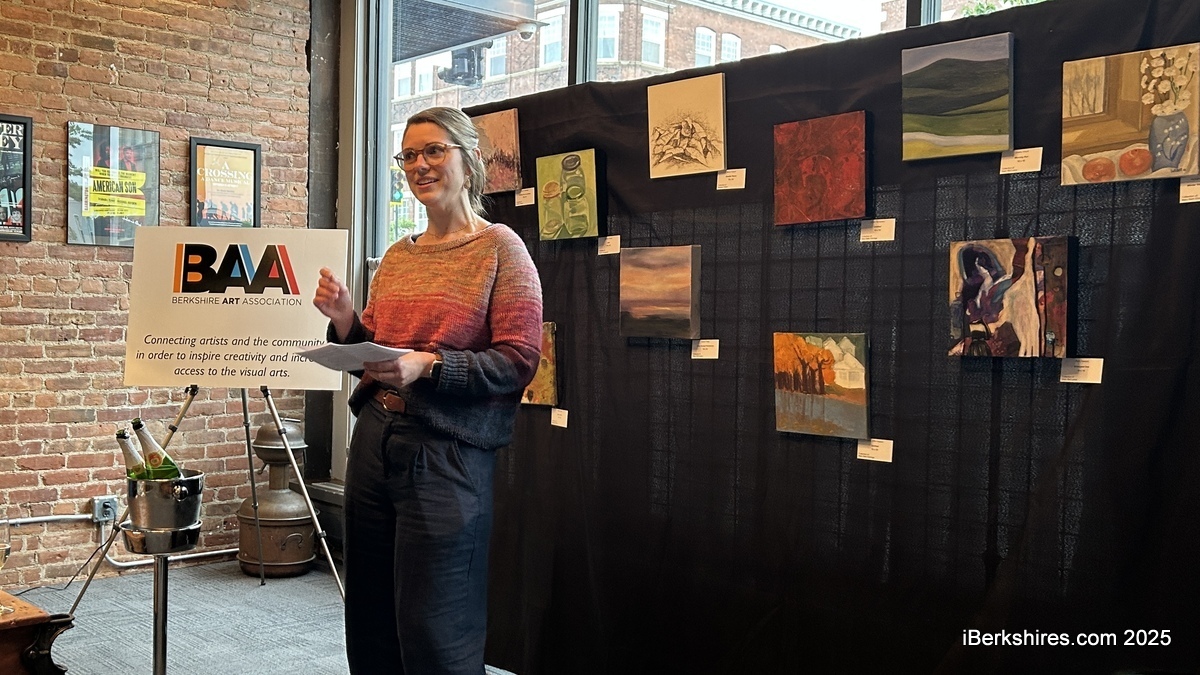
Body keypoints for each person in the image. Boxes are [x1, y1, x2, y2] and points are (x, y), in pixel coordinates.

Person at [312, 106, 542, 674]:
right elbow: (375, 352)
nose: (420, 165)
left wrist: (431, 367)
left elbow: (518, 361)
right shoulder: (398, 255)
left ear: (470, 160)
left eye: (434, 150)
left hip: (446, 452)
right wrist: (345, 322)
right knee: (370, 615)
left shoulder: (500, 249)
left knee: (438, 626)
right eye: (409, 155)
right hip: (375, 442)